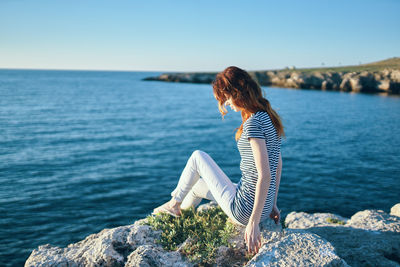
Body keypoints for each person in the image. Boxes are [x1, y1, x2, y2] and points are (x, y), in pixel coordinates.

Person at [152, 66, 284, 255]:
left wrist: (253, 223)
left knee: (198, 156)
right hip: (261, 206)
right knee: (198, 185)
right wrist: (271, 203)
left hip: (245, 210)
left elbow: (265, 175)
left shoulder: (253, 124)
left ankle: (174, 204)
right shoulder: (268, 117)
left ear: (238, 93)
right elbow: (277, 164)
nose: (227, 104)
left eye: (227, 98)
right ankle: (179, 209)